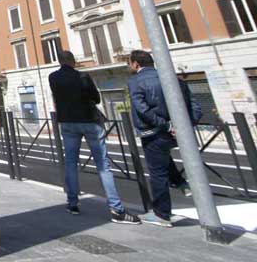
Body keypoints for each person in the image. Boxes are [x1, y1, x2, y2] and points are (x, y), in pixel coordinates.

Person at [48, 50, 140, 224]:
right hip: (88, 121)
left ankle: (72, 203)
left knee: (70, 163)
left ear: (59, 61)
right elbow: (97, 99)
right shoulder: (83, 76)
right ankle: (116, 209)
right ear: (73, 61)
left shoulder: (53, 77)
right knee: (103, 165)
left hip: (67, 122)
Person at [128, 50, 201, 228]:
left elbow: (142, 109)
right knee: (163, 158)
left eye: (129, 63)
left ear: (136, 64)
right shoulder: (174, 78)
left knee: (157, 173)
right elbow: (195, 106)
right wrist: (184, 126)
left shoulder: (136, 81)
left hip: (154, 131)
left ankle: (162, 214)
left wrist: (166, 125)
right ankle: (181, 183)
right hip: (178, 132)